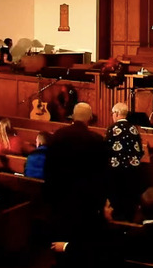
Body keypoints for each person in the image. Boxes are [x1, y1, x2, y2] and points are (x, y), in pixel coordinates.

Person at [45, 102, 109, 239]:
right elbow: (102, 174)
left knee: (61, 238)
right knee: (82, 239)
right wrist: (101, 201)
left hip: (60, 196)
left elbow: (49, 167)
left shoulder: (58, 135)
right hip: (86, 201)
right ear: (90, 118)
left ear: (73, 117)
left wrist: (50, 193)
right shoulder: (97, 140)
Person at [105, 102, 147, 221]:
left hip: (115, 172)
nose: (112, 116)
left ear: (117, 113)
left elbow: (106, 149)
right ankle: (129, 221)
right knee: (129, 200)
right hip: (133, 172)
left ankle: (116, 221)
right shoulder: (134, 129)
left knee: (116, 200)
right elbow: (140, 151)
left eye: (113, 113)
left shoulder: (112, 129)